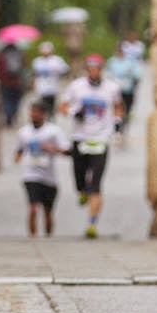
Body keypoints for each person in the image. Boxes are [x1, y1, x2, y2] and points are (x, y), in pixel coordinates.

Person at [58, 53, 124, 239]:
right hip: (80, 138)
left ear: (101, 70)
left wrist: (117, 121)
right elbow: (61, 107)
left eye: (97, 69)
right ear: (87, 70)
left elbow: (118, 106)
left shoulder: (111, 88)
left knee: (96, 184)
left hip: (101, 139)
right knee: (79, 180)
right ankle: (82, 191)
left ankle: (91, 224)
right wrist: (73, 112)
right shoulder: (76, 87)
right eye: (90, 69)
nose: (94, 72)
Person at [14, 100, 70, 236]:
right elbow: (18, 151)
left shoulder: (53, 131)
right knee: (33, 208)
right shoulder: (24, 132)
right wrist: (18, 158)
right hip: (30, 174)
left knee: (47, 211)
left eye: (36, 112)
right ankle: (33, 237)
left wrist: (51, 148)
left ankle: (47, 236)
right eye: (31, 112)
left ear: (44, 114)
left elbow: (67, 151)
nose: (33, 115)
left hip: (48, 177)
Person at [104, 46, 141, 129]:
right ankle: (117, 122)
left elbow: (136, 72)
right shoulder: (111, 61)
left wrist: (135, 79)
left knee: (128, 106)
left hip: (128, 88)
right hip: (115, 90)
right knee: (117, 106)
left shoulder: (130, 60)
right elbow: (107, 73)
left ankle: (125, 119)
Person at [31, 41, 70, 115]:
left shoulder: (57, 60)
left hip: (52, 88)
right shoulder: (37, 61)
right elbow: (34, 74)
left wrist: (58, 73)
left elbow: (65, 71)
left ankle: (50, 119)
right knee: (42, 107)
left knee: (51, 107)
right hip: (41, 89)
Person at [0, 42, 26, 127]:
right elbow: (24, 67)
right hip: (17, 82)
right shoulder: (20, 53)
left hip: (5, 82)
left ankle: (8, 115)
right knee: (16, 99)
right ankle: (13, 113)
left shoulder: (1, 55)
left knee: (6, 99)